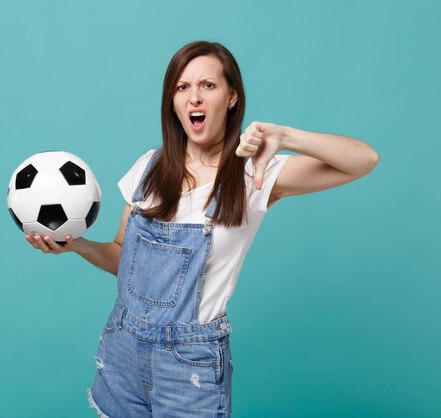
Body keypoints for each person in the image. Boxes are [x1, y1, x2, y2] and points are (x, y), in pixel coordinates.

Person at [26, 40, 379, 417]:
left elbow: (363, 160)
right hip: (122, 348)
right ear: (172, 102)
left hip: (188, 364)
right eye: (183, 88)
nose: (194, 97)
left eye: (207, 86)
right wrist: (78, 245)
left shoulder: (253, 176)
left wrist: (286, 137)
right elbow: (121, 256)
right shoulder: (149, 167)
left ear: (231, 97)